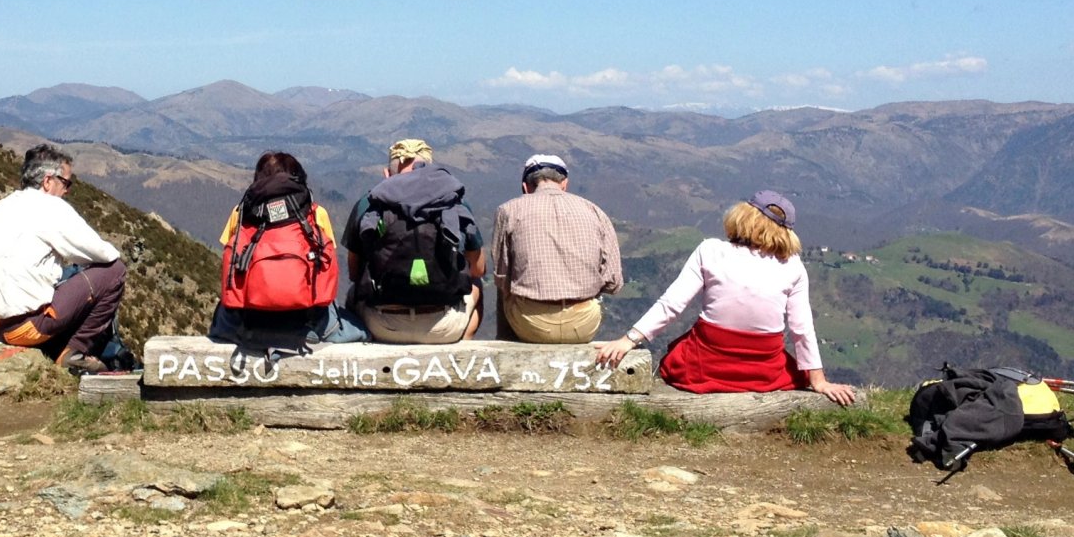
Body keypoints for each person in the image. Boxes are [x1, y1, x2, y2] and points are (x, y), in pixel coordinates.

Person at [592, 190, 855, 404]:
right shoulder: (793, 266)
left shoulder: (710, 250)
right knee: (789, 365)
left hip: (705, 365)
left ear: (742, 216)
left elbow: (672, 304)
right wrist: (818, 380)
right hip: (764, 371)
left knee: (674, 356)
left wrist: (628, 340)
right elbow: (801, 328)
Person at [0, 144, 127, 373]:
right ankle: (73, 352)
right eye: (66, 183)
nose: (68, 190)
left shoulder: (3, 205)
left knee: (65, 274)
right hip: (22, 329)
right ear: (48, 181)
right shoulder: (51, 207)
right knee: (114, 271)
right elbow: (105, 254)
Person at [212, 152, 366, 349]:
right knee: (358, 328)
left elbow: (229, 266)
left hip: (250, 318)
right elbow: (326, 267)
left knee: (221, 315)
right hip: (306, 320)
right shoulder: (316, 213)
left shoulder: (241, 214)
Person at [341, 138, 486, 344]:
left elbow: (355, 273)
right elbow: (478, 269)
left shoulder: (368, 203)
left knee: (353, 292)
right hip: (445, 327)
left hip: (382, 326)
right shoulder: (453, 200)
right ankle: (464, 346)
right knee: (476, 283)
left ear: (387, 174)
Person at [490, 153, 622, 343]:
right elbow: (613, 282)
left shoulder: (509, 210)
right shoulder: (594, 211)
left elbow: (502, 276)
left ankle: (504, 342)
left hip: (531, 324)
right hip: (583, 324)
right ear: (564, 183)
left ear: (525, 187)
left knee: (503, 287)